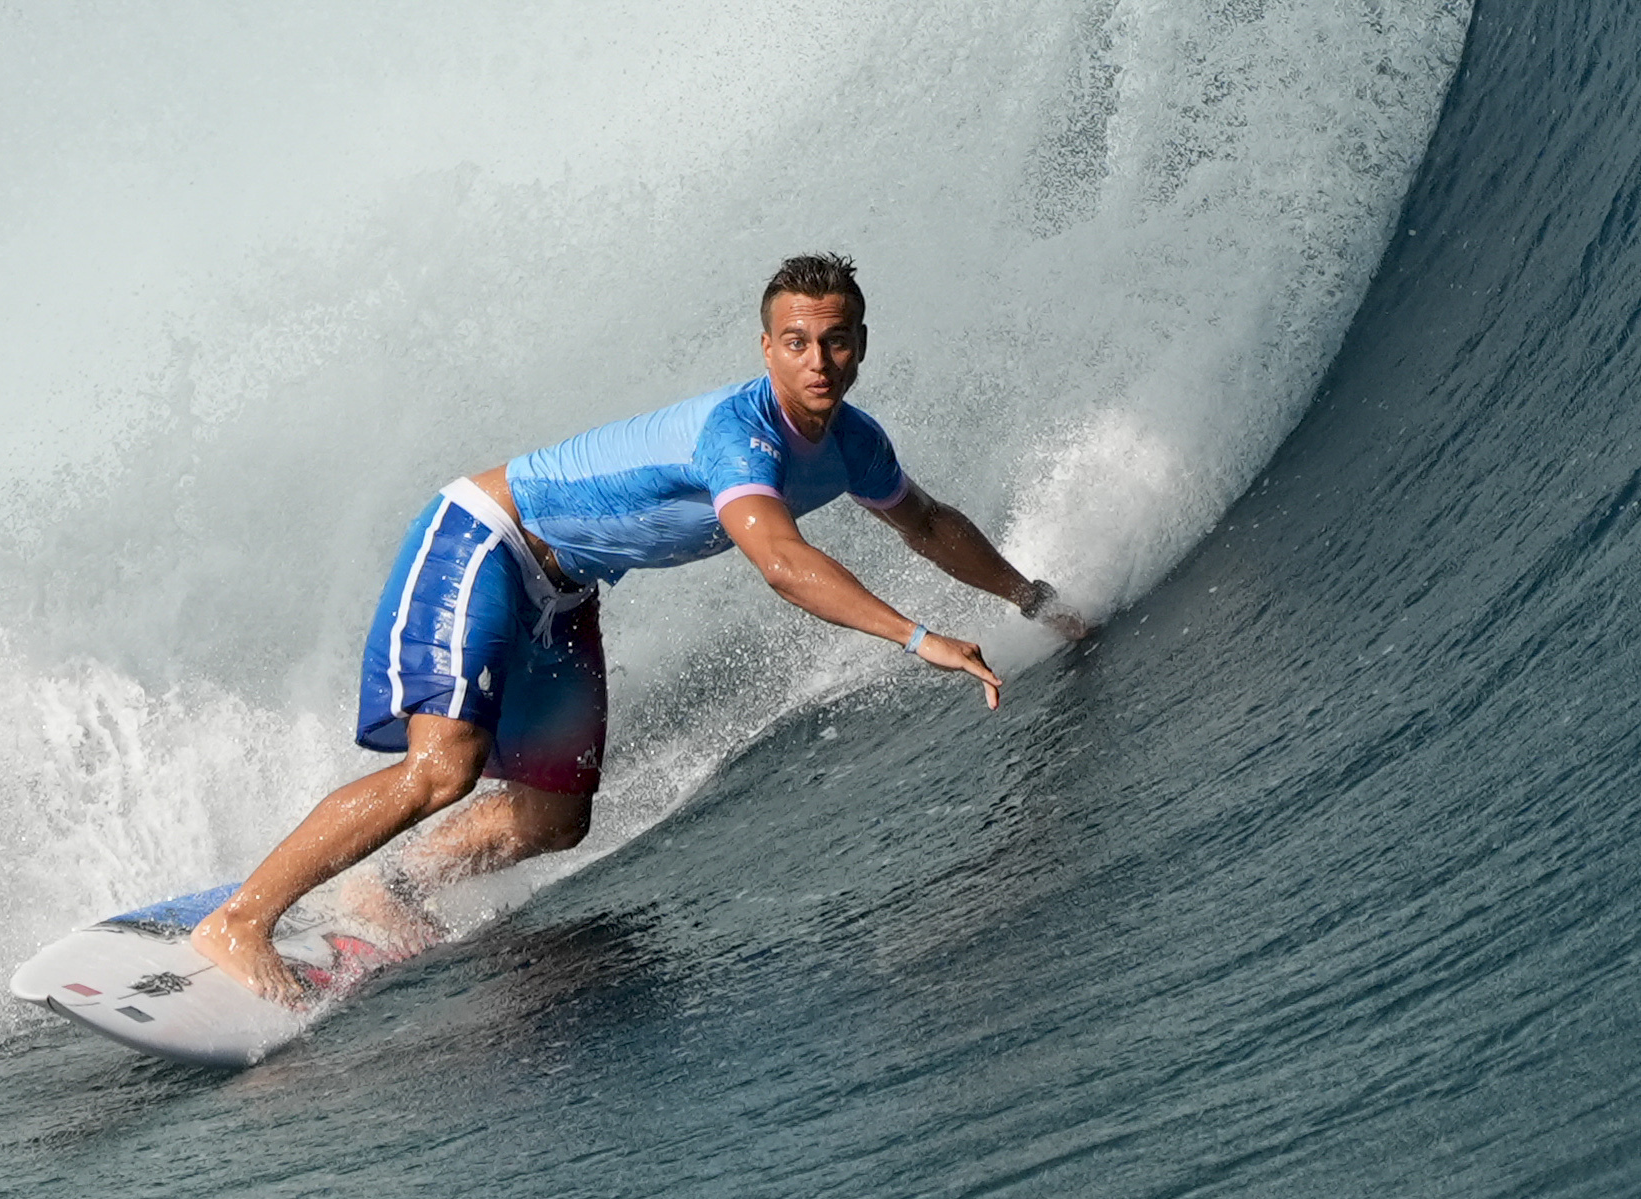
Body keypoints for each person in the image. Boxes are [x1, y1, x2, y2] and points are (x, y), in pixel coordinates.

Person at [188, 251, 1084, 1006]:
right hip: (485, 540)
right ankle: (236, 922)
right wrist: (916, 635)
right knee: (444, 767)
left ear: (860, 346)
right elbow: (778, 558)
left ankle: (386, 885)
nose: (818, 360)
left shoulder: (855, 442)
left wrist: (1026, 594)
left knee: (556, 818)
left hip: (566, 590)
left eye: (836, 340)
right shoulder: (741, 435)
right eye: (797, 341)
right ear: (766, 346)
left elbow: (925, 522)